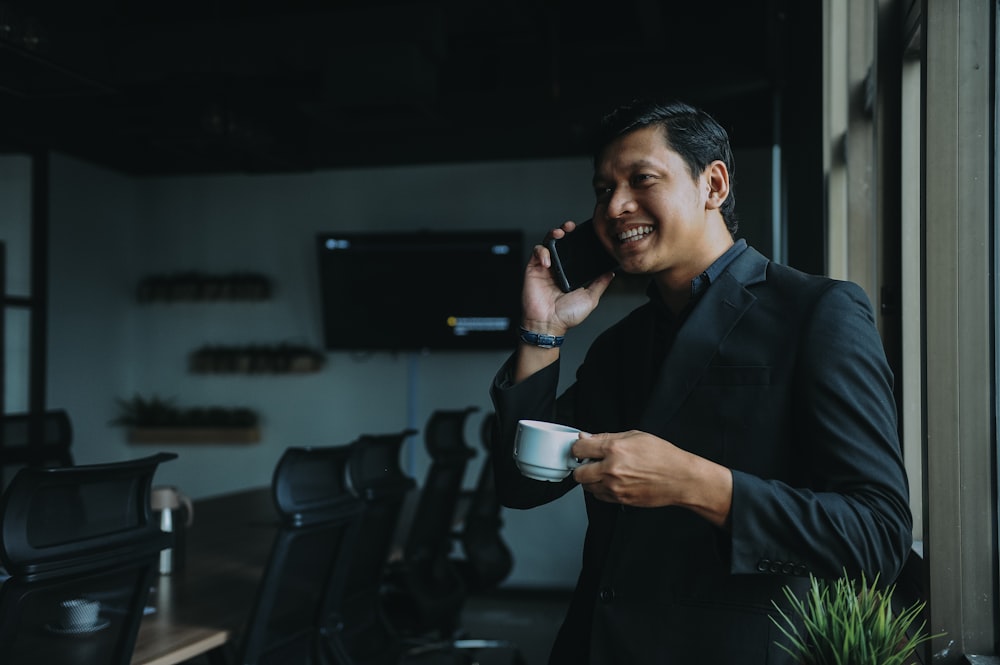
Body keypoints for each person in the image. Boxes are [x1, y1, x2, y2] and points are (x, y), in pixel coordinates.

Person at [489, 99, 912, 664]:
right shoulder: (620, 346)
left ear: (713, 184)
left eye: (641, 180)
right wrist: (542, 331)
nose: (615, 206)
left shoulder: (817, 312)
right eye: (601, 190)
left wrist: (697, 483)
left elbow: (877, 537)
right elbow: (523, 487)